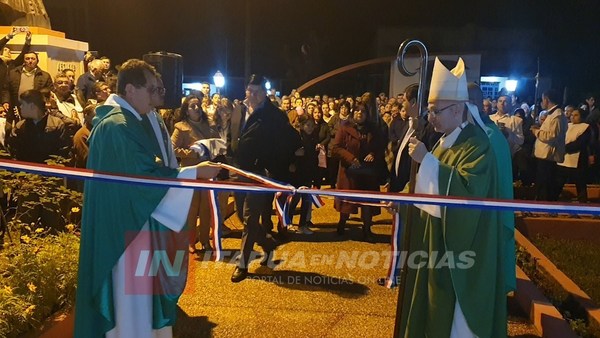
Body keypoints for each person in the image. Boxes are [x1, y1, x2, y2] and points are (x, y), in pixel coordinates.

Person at [74, 59, 221, 338]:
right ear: (130, 89)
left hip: (130, 219)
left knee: (138, 294)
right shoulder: (117, 125)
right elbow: (143, 176)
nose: (156, 96)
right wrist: (193, 173)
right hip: (126, 230)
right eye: (151, 89)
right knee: (133, 300)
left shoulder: (127, 120)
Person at [399, 57, 506, 337]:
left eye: (436, 111)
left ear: (458, 109)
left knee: (457, 322)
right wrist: (403, 201)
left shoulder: (477, 145)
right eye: (430, 110)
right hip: (439, 243)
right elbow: (429, 187)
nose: (430, 117)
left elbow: (468, 194)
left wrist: (428, 162)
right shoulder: (446, 140)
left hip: (463, 251)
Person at [231, 74, 301, 283]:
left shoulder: (275, 115)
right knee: (241, 216)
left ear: (264, 92)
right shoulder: (238, 109)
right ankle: (267, 244)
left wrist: (274, 168)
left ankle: (242, 264)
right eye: (249, 90)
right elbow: (232, 136)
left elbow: (291, 140)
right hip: (237, 171)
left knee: (250, 217)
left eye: (257, 91)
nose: (252, 95)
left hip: (258, 173)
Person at [332, 105, 382, 240]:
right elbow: (336, 148)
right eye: (357, 111)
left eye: (363, 111)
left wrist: (372, 153)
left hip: (367, 172)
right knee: (347, 201)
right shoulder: (344, 128)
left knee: (367, 201)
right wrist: (351, 158)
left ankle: (367, 229)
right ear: (353, 113)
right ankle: (342, 223)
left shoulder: (373, 129)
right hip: (350, 171)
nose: (360, 113)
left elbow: (379, 146)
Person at [531, 89, 568, 201]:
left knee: (545, 185)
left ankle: (544, 209)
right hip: (545, 156)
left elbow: (551, 136)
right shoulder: (552, 114)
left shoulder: (557, 115)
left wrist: (536, 131)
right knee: (542, 184)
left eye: (542, 99)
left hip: (548, 156)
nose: (542, 102)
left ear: (546, 99)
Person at [555, 108, 591, 203]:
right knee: (558, 183)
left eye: (576, 115)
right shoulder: (567, 125)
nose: (573, 117)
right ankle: (553, 202)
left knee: (580, 183)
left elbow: (580, 143)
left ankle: (583, 203)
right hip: (564, 159)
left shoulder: (586, 127)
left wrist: (565, 148)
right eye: (572, 115)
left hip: (578, 160)